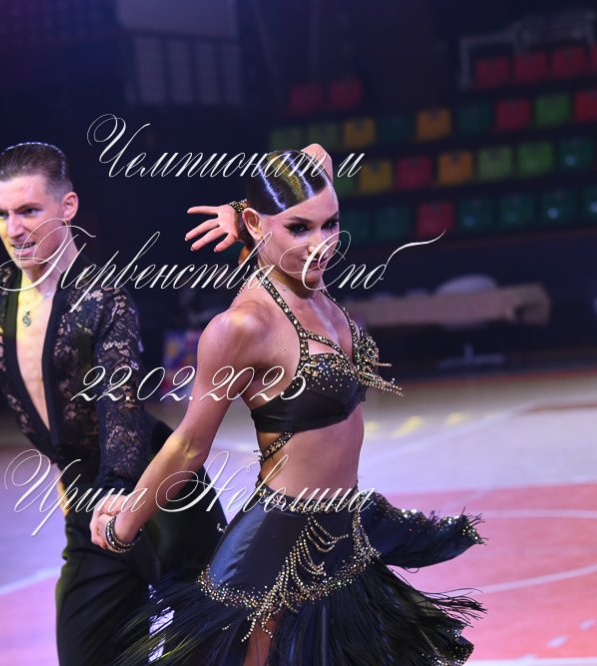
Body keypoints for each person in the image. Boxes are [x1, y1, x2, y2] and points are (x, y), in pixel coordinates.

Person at [91, 150, 484, 665]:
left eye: (331, 224)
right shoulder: (242, 328)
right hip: (275, 554)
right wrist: (124, 525)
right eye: (299, 228)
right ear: (261, 226)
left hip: (343, 534)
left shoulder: (310, 285)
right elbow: (188, 444)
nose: (320, 245)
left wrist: (245, 214)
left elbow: (318, 157)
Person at [0, 142, 226, 665]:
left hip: (156, 494)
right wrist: (66, 473)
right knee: (83, 651)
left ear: (67, 207)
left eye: (29, 210)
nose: (14, 228)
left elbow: (121, 407)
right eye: (2, 213)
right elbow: (45, 408)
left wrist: (113, 491)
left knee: (208, 651)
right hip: (87, 501)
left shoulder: (102, 299)